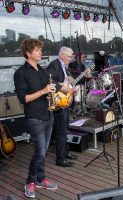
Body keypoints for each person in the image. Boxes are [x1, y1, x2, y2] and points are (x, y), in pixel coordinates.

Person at [14, 38, 58, 198]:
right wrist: (43, 91)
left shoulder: (42, 70)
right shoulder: (20, 73)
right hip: (35, 118)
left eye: (41, 49)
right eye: (37, 50)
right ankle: (29, 182)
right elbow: (23, 98)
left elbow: (46, 92)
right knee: (39, 152)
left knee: (44, 151)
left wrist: (49, 96)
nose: (41, 52)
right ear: (28, 53)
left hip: (48, 115)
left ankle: (41, 179)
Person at [46, 46, 77, 167]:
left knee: (65, 129)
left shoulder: (64, 67)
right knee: (61, 131)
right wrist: (63, 87)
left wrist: (72, 88)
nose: (71, 58)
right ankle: (60, 159)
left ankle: (66, 152)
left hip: (65, 102)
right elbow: (49, 81)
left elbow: (69, 82)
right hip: (58, 102)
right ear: (62, 55)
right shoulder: (54, 65)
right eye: (69, 56)